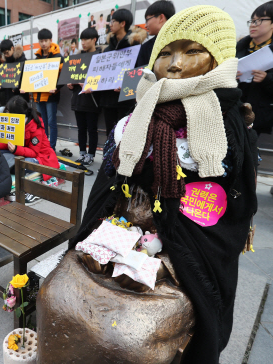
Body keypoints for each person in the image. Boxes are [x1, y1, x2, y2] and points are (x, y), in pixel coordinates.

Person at [37, 6, 258, 364]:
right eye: (166, 53)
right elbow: (109, 188)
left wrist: (166, 261)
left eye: (191, 52)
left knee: (132, 337)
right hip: (121, 227)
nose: (174, 64)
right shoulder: (134, 118)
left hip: (178, 253)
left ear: (218, 60)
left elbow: (224, 215)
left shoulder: (225, 125)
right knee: (56, 291)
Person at [0, 96, 59, 204]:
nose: (7, 115)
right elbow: (5, 143)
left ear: (19, 115)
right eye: (7, 111)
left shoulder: (35, 125)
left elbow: (34, 153)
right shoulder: (12, 122)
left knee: (21, 165)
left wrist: (16, 149)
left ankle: (31, 190)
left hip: (41, 157)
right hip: (20, 153)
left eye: (10, 112)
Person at [99, 9, 146, 134]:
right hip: (107, 99)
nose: (110, 24)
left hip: (125, 100)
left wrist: (127, 86)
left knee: (123, 134)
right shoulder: (108, 48)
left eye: (113, 21)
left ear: (122, 23)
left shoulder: (135, 46)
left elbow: (139, 71)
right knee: (110, 134)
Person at [237, 1, 273, 138]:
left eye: (259, 20)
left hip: (258, 115)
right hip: (232, 110)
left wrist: (266, 79)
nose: (253, 24)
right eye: (252, 21)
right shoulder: (238, 47)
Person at [67, 27, 102, 166]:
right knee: (81, 129)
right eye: (81, 39)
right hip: (78, 99)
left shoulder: (100, 58)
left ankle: (91, 155)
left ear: (94, 40)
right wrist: (71, 84)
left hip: (92, 101)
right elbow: (73, 77)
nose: (83, 42)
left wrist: (91, 87)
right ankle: (82, 153)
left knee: (92, 129)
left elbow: (103, 79)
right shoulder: (78, 58)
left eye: (86, 39)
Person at [28, 28, 64, 150]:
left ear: (50, 41)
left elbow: (63, 76)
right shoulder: (37, 58)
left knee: (51, 122)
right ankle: (44, 146)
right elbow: (31, 77)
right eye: (41, 41)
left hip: (51, 95)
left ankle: (51, 147)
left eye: (46, 40)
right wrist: (26, 87)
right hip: (38, 96)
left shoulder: (58, 56)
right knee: (42, 123)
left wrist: (56, 88)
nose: (43, 43)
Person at [135, 1, 176, 67]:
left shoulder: (181, 41)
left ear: (161, 18)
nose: (145, 26)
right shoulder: (145, 48)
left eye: (147, 20)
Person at [0, 40, 28, 106]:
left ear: (12, 48)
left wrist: (16, 87)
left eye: (7, 53)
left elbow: (26, 79)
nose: (6, 55)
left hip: (20, 98)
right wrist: (1, 86)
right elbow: (5, 79)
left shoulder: (22, 61)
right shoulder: (5, 64)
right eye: (4, 54)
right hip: (8, 98)